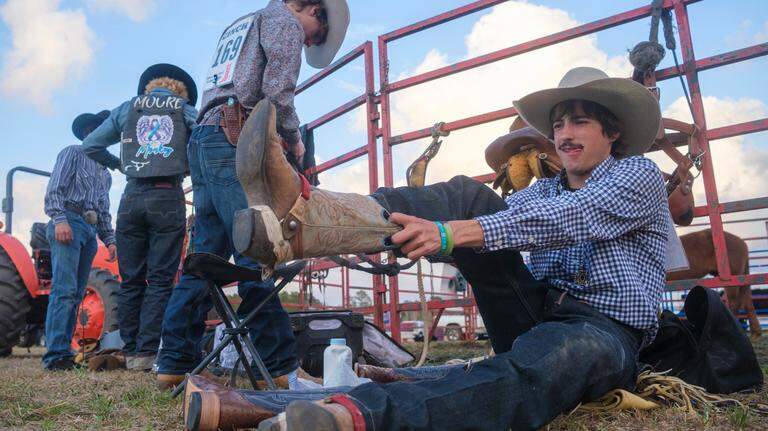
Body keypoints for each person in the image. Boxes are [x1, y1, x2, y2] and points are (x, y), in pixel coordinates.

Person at [234, 66, 670, 430]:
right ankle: (306, 219)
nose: (564, 135)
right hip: (537, 313)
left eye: (579, 122)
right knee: (467, 196)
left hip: (603, 332)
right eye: (558, 124)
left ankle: (356, 418)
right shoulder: (542, 191)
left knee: (538, 366)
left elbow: (572, 217)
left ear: (612, 131)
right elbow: (486, 221)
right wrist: (440, 231)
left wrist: (449, 234)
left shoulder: (637, 175)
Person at [154, 0, 350, 389]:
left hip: (207, 137)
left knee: (205, 259)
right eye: (317, 32)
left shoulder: (244, 22)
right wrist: (294, 140)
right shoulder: (283, 22)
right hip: (233, 138)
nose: (312, 40)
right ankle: (279, 369)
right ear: (312, 9)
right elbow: (277, 92)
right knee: (257, 249)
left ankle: (174, 362)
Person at [82, 63, 198, 371]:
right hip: (167, 195)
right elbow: (204, 138)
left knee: (131, 279)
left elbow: (90, 144)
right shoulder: (184, 108)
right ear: (180, 91)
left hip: (131, 196)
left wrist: (119, 164)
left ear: (148, 88)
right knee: (160, 279)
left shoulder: (126, 108)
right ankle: (146, 354)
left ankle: (129, 348)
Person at [42, 111, 117, 371]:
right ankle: (55, 356)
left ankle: (64, 351)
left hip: (89, 229)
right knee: (63, 290)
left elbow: (104, 209)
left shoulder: (106, 174)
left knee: (76, 293)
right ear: (89, 132)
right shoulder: (73, 153)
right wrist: (59, 219)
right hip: (69, 221)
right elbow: (55, 189)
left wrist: (110, 240)